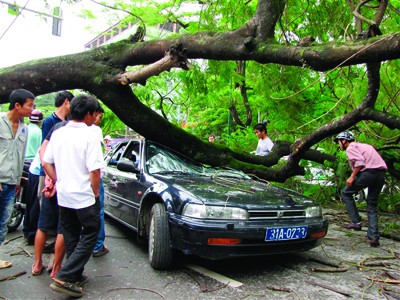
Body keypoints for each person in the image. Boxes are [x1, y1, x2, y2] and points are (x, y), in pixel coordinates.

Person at [43, 95, 104, 297]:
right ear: (88, 115)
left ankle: (75, 275)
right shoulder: (90, 135)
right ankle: (65, 276)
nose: (95, 118)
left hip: (64, 195)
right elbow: (95, 171)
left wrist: (58, 180)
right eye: (95, 114)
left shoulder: (59, 133)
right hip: (84, 196)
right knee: (90, 233)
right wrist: (94, 193)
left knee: (71, 235)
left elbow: (46, 162)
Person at [0, 89, 35, 268]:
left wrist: (19, 178)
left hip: (11, 183)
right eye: (29, 105)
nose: (32, 109)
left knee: (3, 223)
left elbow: (20, 155)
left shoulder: (24, 128)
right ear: (17, 105)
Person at [335, 131, 387, 247]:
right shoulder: (365, 146)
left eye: (339, 142)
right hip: (380, 175)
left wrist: (352, 177)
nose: (339, 145)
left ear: (344, 141)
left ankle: (356, 222)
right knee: (372, 204)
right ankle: (374, 237)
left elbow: (359, 162)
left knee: (346, 193)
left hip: (368, 173)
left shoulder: (350, 147)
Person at [22, 109, 44, 244]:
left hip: (27, 165)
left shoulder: (25, 129)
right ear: (40, 121)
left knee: (29, 201)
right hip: (35, 164)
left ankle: (26, 229)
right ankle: (32, 233)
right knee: (36, 202)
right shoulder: (39, 132)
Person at [91, 105, 109, 257]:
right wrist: (96, 191)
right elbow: (96, 167)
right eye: (99, 117)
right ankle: (97, 245)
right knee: (98, 211)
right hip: (94, 178)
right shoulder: (94, 131)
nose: (99, 121)